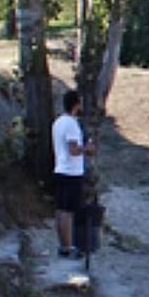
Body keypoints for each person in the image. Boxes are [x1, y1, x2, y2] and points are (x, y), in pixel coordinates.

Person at [52, 90, 94, 258]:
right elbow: (73, 150)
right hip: (71, 172)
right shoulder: (71, 124)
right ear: (76, 104)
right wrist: (87, 148)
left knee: (60, 209)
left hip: (60, 169)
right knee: (68, 212)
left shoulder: (58, 122)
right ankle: (68, 247)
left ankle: (63, 246)